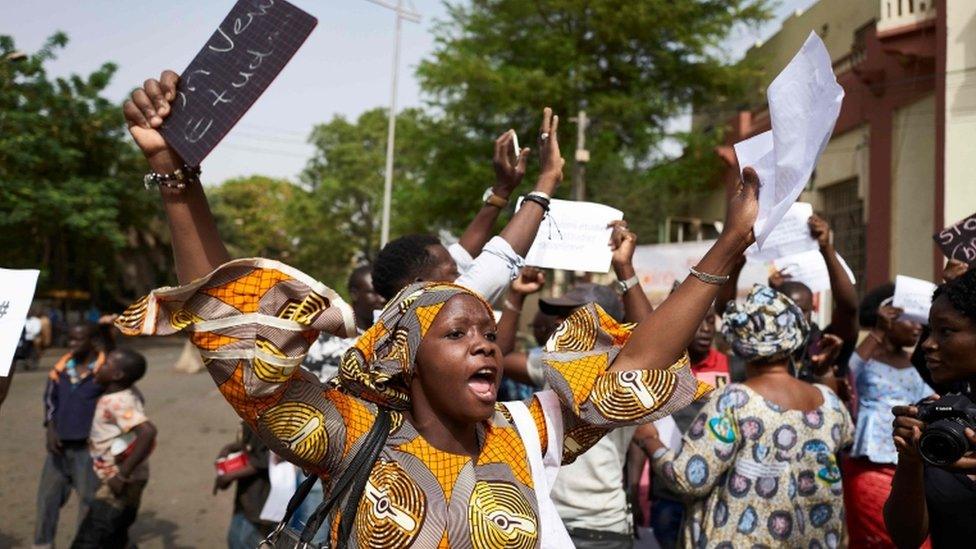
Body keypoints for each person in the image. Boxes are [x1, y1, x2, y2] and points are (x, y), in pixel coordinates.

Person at [117, 69, 762, 546]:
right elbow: (230, 334)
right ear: (406, 356)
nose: (486, 343)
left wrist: (730, 242)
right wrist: (177, 180)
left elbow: (632, 371)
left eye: (487, 331)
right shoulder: (347, 437)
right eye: (459, 333)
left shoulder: (525, 433)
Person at [643, 285, 854, 548]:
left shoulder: (733, 402)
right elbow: (841, 445)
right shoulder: (830, 403)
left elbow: (689, 479)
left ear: (740, 345)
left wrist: (650, 440)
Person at [370, 128, 535, 305]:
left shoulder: (399, 318)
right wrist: (548, 178)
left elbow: (463, 254)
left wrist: (502, 190)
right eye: (455, 274)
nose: (462, 278)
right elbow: (500, 260)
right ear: (420, 286)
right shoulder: (430, 318)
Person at [885, 268, 976, 548]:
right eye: (929, 330)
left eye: (945, 331)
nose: (927, 344)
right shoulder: (936, 421)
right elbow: (906, 538)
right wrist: (911, 461)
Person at [718, 214, 857, 388]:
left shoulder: (825, 344)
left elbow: (849, 309)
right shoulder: (760, 343)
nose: (794, 317)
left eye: (801, 310)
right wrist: (738, 263)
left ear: (812, 310)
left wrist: (826, 247)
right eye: (785, 310)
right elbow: (726, 311)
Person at [842, 285, 933, 547]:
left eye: (921, 322)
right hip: (870, 467)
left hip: (909, 466)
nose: (918, 328)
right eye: (910, 320)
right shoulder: (866, 358)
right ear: (888, 317)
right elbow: (848, 372)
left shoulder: (916, 363)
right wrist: (878, 332)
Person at [642, 302, 730, 549]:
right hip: (668, 495)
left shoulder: (734, 368)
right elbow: (642, 430)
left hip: (715, 498)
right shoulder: (661, 369)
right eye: (697, 321)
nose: (704, 329)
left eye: (710, 321)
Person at [35, 323, 113, 547]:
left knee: (88, 501)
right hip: (58, 449)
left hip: (87, 450)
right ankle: (42, 544)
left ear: (92, 342)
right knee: (47, 500)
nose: (72, 344)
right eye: (70, 339)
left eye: (78, 340)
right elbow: (50, 401)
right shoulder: (60, 369)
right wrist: (50, 428)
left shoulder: (102, 371)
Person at [71, 348, 157, 549]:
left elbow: (148, 432)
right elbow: (120, 360)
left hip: (119, 481)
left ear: (117, 375)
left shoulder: (118, 401)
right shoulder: (122, 391)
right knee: (116, 536)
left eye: (106, 364)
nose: (98, 365)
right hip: (129, 478)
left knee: (90, 539)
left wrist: (121, 475)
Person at [302, 265, 386, 382]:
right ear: (354, 294)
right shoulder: (324, 335)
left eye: (385, 293)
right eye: (374, 293)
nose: (382, 299)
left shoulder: (388, 338)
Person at [214, 424, 278, 549]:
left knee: (238, 539)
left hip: (260, 499)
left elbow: (268, 457)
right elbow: (252, 444)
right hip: (251, 498)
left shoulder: (267, 419)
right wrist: (231, 447)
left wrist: (230, 476)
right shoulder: (252, 413)